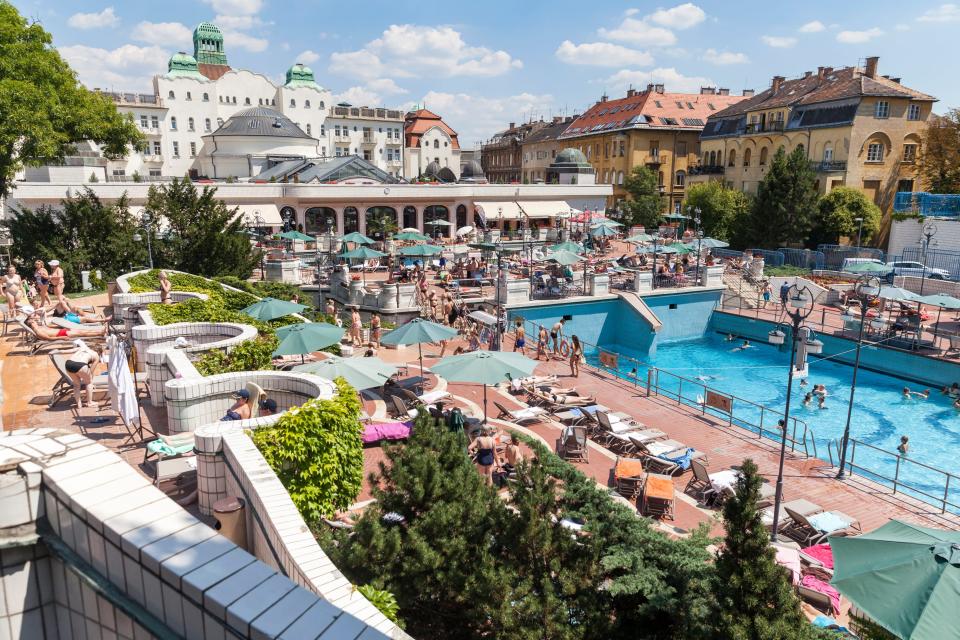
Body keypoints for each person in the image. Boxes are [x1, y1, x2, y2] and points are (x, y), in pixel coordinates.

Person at [58, 342, 101, 409]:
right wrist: (89, 379)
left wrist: (59, 351)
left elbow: (70, 350)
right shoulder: (96, 355)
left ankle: (79, 404)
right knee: (89, 383)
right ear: (99, 352)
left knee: (76, 385)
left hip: (68, 364)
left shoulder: (83, 347)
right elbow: (91, 371)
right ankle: (90, 402)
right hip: (80, 365)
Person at [26, 317, 106, 339]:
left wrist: (60, 325)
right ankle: (100, 333)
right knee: (82, 333)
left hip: (62, 331)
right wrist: (63, 338)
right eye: (33, 321)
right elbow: (48, 338)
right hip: (62, 334)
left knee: (82, 330)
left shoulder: (40, 327)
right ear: (32, 323)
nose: (35, 321)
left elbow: (50, 328)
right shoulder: (38, 331)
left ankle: (99, 331)